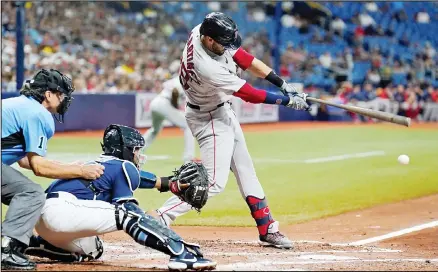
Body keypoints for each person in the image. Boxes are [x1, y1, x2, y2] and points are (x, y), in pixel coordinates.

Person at [155, 12, 309, 249]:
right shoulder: (206, 67)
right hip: (209, 118)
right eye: (222, 43)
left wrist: (282, 83)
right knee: (214, 182)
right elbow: (250, 94)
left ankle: (267, 228)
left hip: (219, 111)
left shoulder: (204, 31)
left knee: (246, 170)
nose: (227, 48)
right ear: (208, 40)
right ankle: (160, 217)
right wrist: (287, 101)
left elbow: (243, 58)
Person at [24, 124, 216, 271]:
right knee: (128, 213)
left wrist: (166, 183)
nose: (138, 155)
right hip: (62, 212)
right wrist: (157, 225)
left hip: (43, 219)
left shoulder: (101, 165)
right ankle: (181, 253)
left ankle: (39, 243)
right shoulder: (124, 166)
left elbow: (137, 178)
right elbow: (128, 205)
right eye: (136, 150)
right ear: (125, 150)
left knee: (93, 248)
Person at [1, 69, 105, 270]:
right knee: (31, 194)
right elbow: (39, 167)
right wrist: (81, 172)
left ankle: (16, 240)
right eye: (61, 94)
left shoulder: (21, 106)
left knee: (21, 193)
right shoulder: (38, 113)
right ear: (48, 94)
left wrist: (71, 167)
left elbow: (25, 161)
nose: (65, 99)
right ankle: (8, 250)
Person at [143, 75, 196, 163]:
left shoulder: (177, 78)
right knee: (189, 125)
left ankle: (137, 150)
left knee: (154, 130)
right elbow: (175, 93)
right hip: (165, 104)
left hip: (156, 102)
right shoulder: (185, 81)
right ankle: (189, 158)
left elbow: (166, 87)